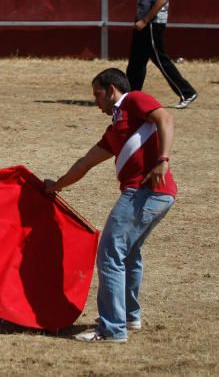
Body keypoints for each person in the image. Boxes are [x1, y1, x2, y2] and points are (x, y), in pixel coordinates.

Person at [44, 67, 177, 343]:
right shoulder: (116, 129)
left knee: (110, 252)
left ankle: (112, 328)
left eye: (97, 94)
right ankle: (128, 316)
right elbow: (86, 163)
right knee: (128, 253)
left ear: (112, 90)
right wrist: (56, 185)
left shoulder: (133, 100)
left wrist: (162, 160)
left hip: (144, 191)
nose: (95, 102)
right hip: (157, 194)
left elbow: (165, 117)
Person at [126, 0, 198, 108]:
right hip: (145, 20)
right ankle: (129, 96)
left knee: (160, 58)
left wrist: (145, 20)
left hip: (152, 22)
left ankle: (186, 92)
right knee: (136, 60)